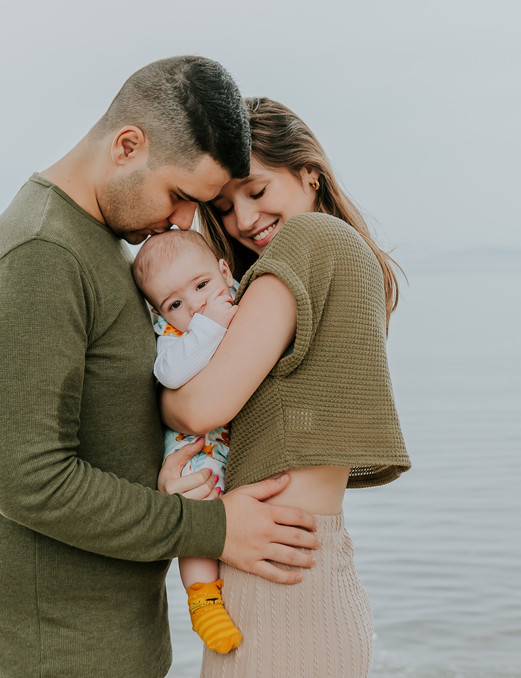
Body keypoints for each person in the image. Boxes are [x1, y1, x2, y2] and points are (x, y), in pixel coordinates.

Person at [0, 58, 322, 678]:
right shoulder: (40, 254)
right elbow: (28, 481)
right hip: (50, 656)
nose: (181, 221)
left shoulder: (102, 246)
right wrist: (210, 527)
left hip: (114, 644)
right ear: (127, 145)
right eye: (179, 195)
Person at [161, 97, 412, 677]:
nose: (243, 220)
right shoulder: (342, 260)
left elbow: (201, 409)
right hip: (293, 567)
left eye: (256, 190)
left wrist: (169, 403)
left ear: (309, 173)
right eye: (223, 208)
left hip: (281, 581)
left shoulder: (311, 241)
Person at [132, 229, 243, 654]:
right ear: (161, 313)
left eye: (201, 286)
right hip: (198, 450)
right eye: (175, 303)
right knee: (196, 519)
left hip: (243, 447)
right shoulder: (174, 338)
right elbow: (172, 375)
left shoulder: (245, 302)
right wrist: (211, 325)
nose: (194, 304)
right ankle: (204, 601)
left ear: (223, 271)